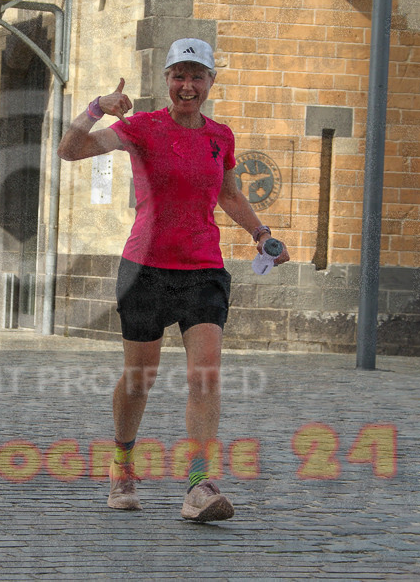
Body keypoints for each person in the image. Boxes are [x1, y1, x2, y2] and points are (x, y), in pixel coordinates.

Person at [57, 38, 289, 522]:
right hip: (145, 269)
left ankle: (199, 484)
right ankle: (122, 465)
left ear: (210, 82)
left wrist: (262, 234)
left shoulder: (220, 136)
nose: (188, 86)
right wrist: (96, 108)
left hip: (203, 269)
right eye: (179, 76)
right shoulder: (141, 127)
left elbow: (229, 194)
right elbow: (70, 150)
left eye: (197, 76)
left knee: (206, 373)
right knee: (139, 378)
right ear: (166, 79)